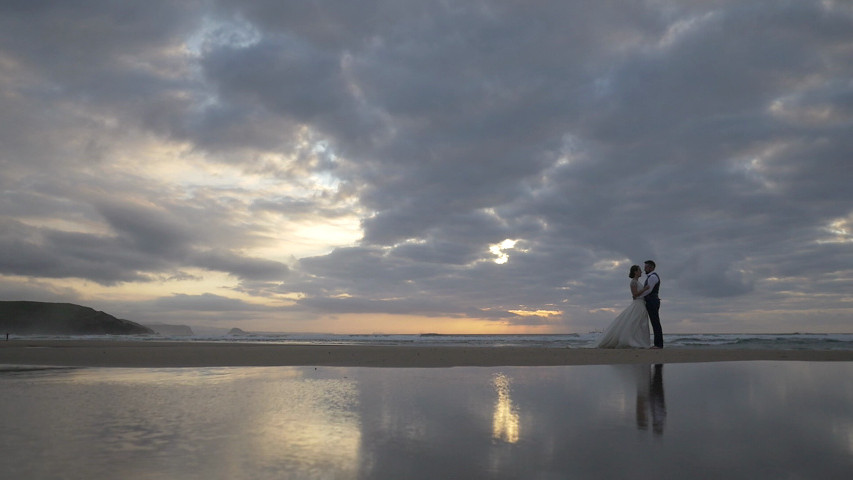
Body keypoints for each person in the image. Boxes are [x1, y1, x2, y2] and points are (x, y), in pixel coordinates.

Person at [596, 265, 651, 348]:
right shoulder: (633, 282)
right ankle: (632, 341)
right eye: (639, 270)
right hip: (637, 304)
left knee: (641, 324)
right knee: (635, 322)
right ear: (635, 272)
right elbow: (635, 295)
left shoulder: (637, 282)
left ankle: (640, 341)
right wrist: (645, 289)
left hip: (641, 304)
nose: (641, 272)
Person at [635, 260, 663, 349]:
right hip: (651, 301)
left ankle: (658, 345)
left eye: (646, 267)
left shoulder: (653, 277)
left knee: (655, 322)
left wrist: (638, 297)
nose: (644, 269)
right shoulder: (650, 277)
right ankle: (657, 344)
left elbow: (648, 290)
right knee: (654, 322)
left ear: (651, 268)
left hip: (652, 301)